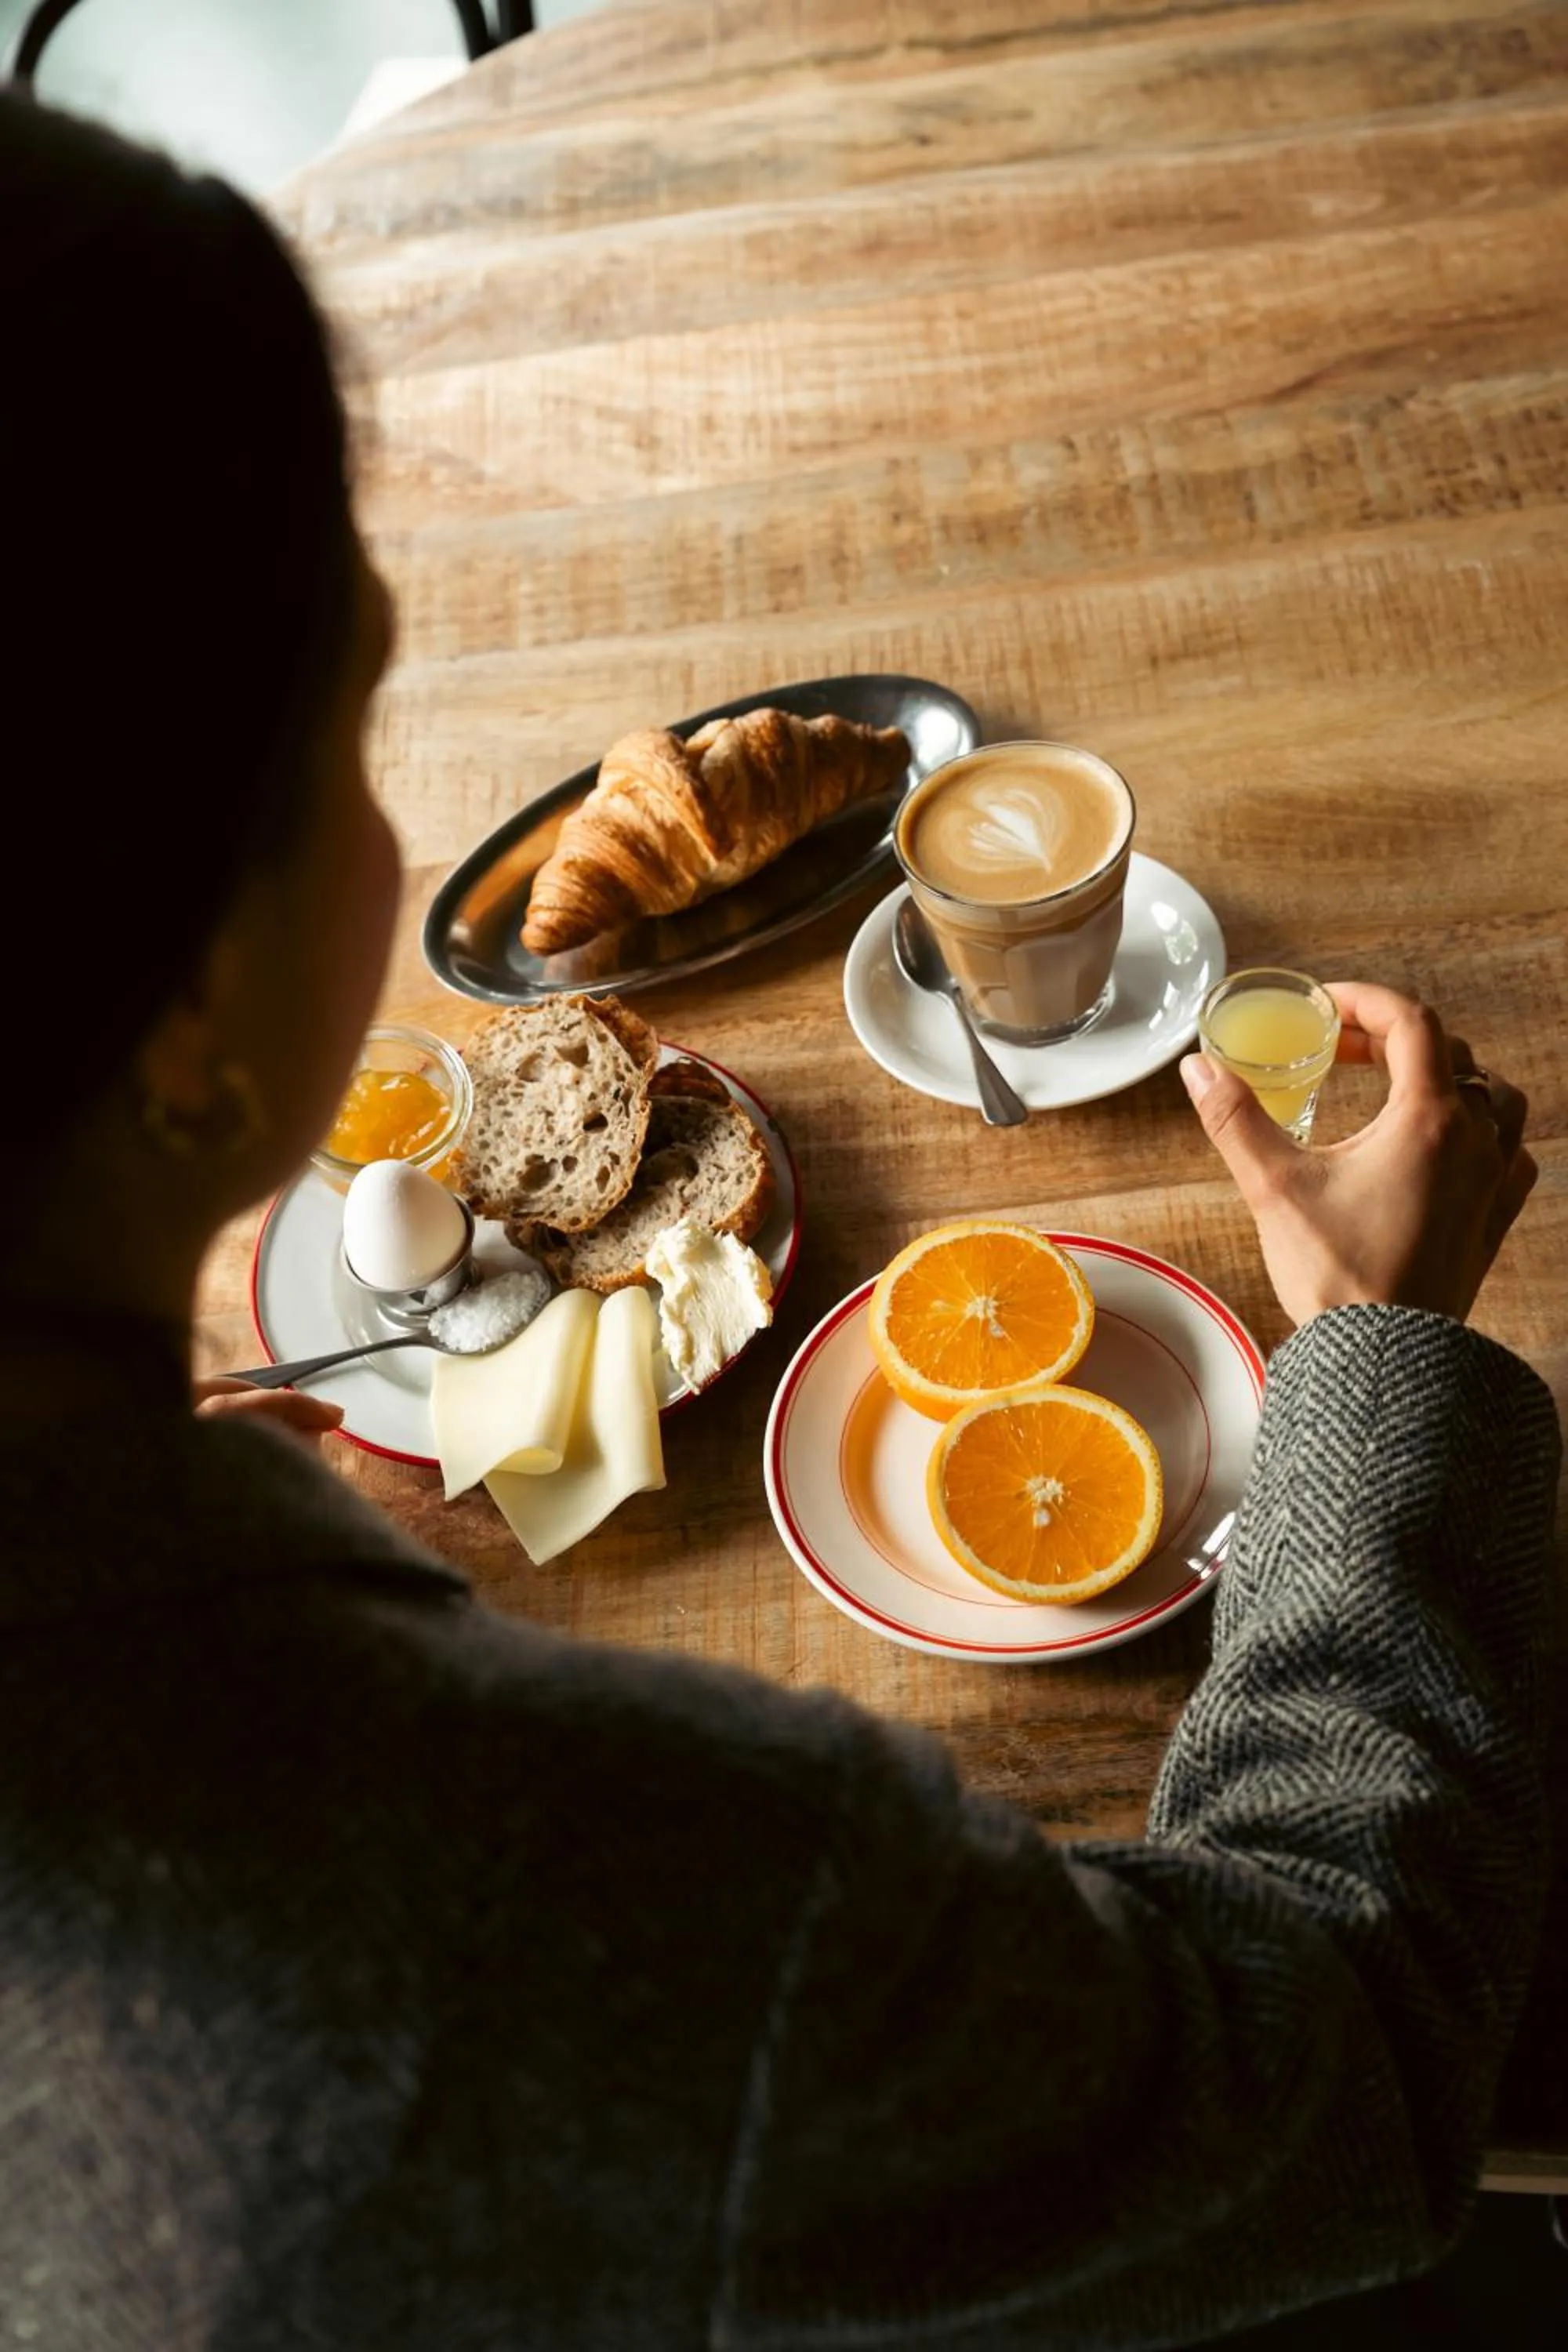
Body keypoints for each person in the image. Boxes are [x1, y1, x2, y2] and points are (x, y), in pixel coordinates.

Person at [0, 91, 1558, 2352]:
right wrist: (1379, 1368)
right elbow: (1334, 2062)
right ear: (184, 1012)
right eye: (356, 721)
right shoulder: (617, 1901)